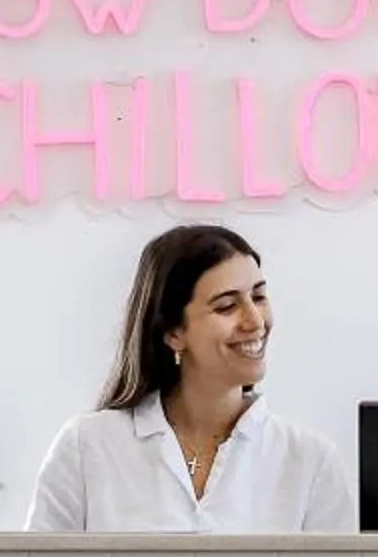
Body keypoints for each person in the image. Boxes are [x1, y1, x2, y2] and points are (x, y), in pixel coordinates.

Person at [27, 224, 354, 532]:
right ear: (173, 333)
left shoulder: (311, 461)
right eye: (227, 306)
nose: (255, 321)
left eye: (258, 297)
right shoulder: (87, 447)